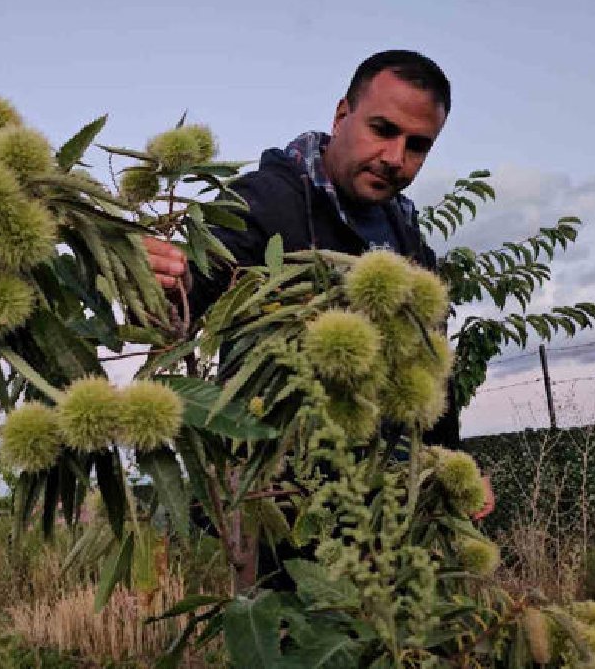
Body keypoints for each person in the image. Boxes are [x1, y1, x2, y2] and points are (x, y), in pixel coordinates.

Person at [143, 49, 493, 518]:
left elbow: (429, 368)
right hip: (284, 504)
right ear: (342, 114)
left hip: (390, 507)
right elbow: (186, 298)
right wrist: (166, 278)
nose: (395, 158)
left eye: (417, 146)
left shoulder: (407, 236)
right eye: (383, 130)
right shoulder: (262, 203)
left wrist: (452, 465)